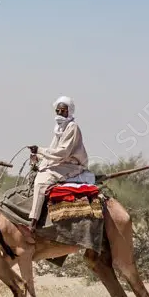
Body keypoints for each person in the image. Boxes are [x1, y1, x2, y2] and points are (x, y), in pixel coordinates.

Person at [27, 96, 95, 229]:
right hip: (62, 162)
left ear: (69, 111)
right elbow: (53, 151)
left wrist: (40, 150)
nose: (60, 114)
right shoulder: (59, 129)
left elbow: (62, 153)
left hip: (72, 164)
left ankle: (33, 221)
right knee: (40, 169)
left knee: (41, 181)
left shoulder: (72, 127)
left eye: (63, 111)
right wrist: (38, 156)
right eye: (58, 111)